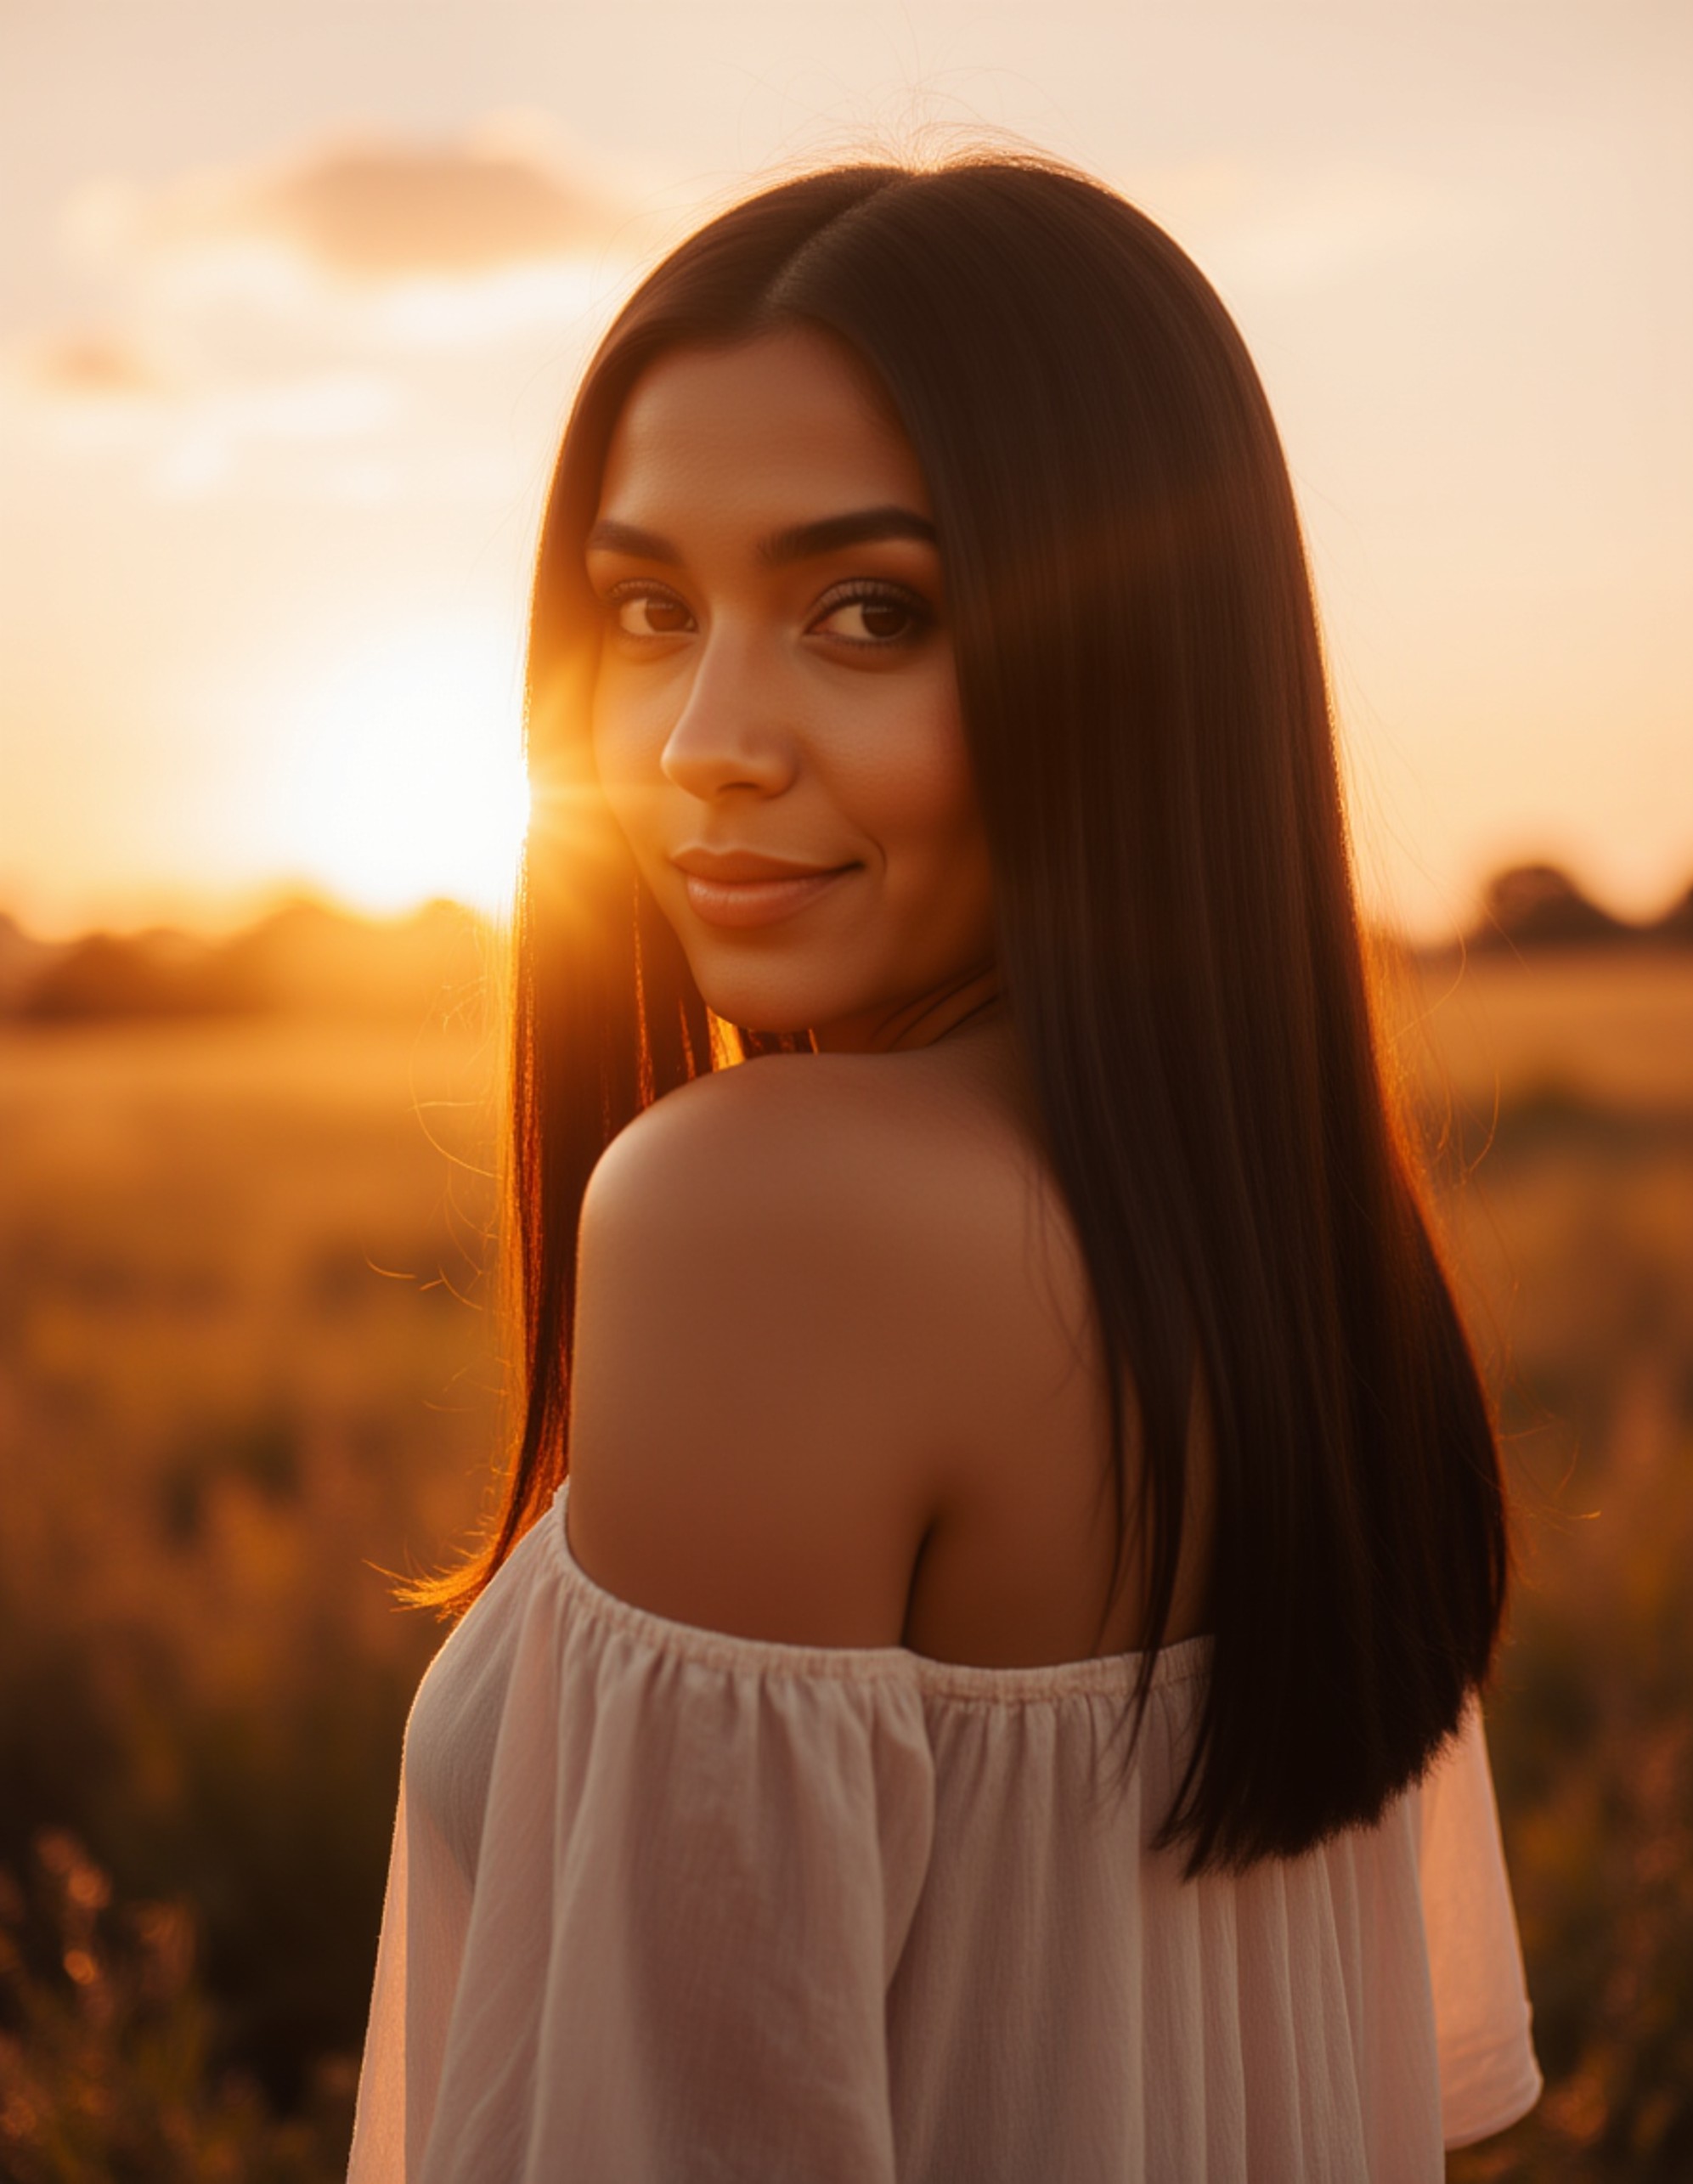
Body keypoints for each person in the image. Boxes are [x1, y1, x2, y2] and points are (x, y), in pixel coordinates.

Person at [346, 155, 1541, 2181]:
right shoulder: (1281, 1246)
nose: (700, 737)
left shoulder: (758, 1216)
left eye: (867, 609)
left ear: (1129, 662)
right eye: (647, 608)